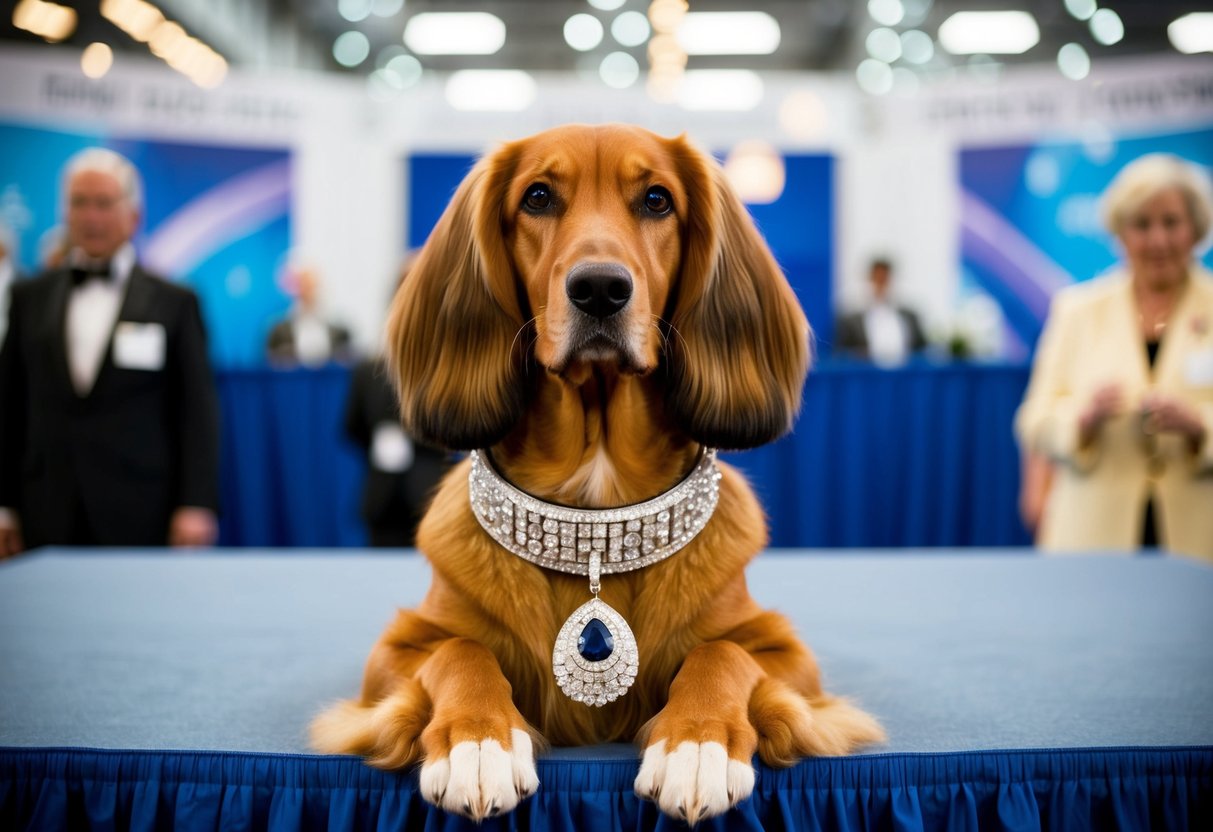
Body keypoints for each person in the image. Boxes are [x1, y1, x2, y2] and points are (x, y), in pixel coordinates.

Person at [0, 148, 220, 556]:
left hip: (141, 506)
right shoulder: (28, 297)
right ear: (65, 212)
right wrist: (4, 505)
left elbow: (196, 411)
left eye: (103, 203)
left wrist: (196, 503)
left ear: (134, 215)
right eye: (79, 202)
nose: (91, 216)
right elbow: (9, 406)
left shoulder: (175, 302)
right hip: (45, 503)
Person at [1015, 153, 1213, 560]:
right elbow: (1034, 419)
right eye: (1142, 224)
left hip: (1199, 540)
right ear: (1120, 232)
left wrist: (1199, 426)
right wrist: (1082, 419)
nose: (1158, 240)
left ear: (1196, 229)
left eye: (1171, 222)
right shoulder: (1077, 310)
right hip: (1093, 538)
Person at [343, 258, 450, 546]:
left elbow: (459, 425)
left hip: (432, 496)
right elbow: (353, 427)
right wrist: (384, 444)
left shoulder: (447, 367)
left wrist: (416, 444)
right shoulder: (368, 369)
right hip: (382, 498)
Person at [834, 257, 927, 364]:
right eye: (877, 279)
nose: (880, 286)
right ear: (869, 280)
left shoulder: (910, 317)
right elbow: (842, 355)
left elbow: (922, 351)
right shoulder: (851, 321)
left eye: (884, 280)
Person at [266, 262, 353, 366]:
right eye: (303, 285)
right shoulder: (279, 332)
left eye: (311, 286)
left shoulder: (340, 333)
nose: (308, 291)